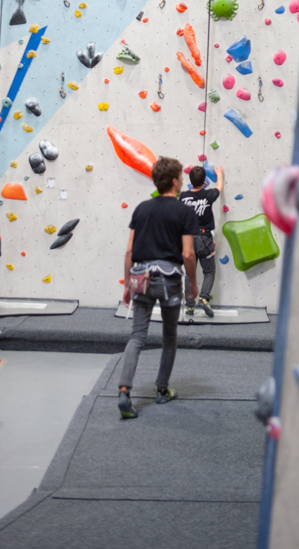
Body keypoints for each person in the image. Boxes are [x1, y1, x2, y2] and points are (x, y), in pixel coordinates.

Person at [117, 156, 199, 420]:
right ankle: (162, 389)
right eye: (181, 178)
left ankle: (124, 391)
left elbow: (129, 250)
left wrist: (127, 284)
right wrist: (193, 283)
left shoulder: (141, 209)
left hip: (141, 278)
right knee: (169, 335)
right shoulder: (183, 211)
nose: (182, 181)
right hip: (169, 279)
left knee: (137, 336)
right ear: (174, 181)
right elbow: (187, 253)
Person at [180, 165, 224, 318]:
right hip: (204, 239)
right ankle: (204, 298)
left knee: (189, 274)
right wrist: (219, 174)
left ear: (190, 180)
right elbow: (219, 187)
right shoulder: (208, 195)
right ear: (204, 180)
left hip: (188, 240)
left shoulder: (183, 197)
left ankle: (189, 306)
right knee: (209, 271)